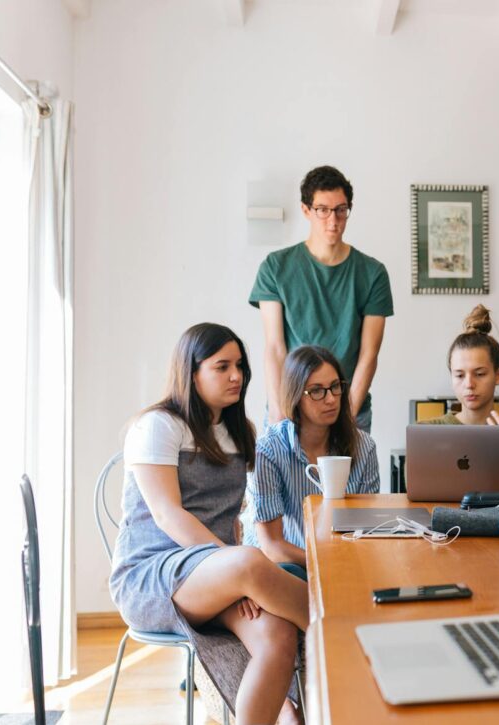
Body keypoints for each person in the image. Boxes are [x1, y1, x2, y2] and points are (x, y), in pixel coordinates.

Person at [110, 323, 306, 725]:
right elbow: (168, 515)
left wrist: (235, 572)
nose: (237, 376)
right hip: (153, 576)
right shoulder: (158, 426)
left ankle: (285, 714)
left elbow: (230, 518)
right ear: (192, 371)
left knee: (277, 636)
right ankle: (346, 635)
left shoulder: (239, 433)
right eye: (222, 366)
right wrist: (236, 568)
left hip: (217, 575)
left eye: (240, 366)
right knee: (252, 562)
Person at [250, 165, 393, 432]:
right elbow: (274, 347)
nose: (333, 220)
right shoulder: (276, 267)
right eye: (323, 210)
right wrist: (279, 412)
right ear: (306, 210)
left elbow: (369, 353)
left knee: (349, 476)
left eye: (341, 210)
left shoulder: (372, 273)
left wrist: (347, 417)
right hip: (291, 407)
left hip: (349, 408)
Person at [244, 345, 380, 574]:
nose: (330, 399)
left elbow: (365, 529)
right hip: (283, 566)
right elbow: (272, 546)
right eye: (317, 391)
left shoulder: (364, 446)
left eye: (335, 387)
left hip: (342, 562)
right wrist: (326, 564)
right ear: (295, 396)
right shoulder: (268, 450)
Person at [423, 305, 499, 425]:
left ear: (498, 375)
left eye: (479, 374)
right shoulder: (427, 431)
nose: (469, 384)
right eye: (459, 375)